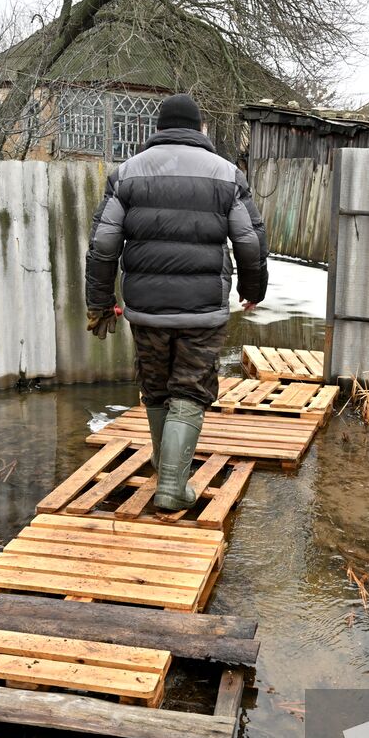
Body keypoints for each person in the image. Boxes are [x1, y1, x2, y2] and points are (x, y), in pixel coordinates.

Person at [84, 93, 268, 511]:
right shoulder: (227, 175)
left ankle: (164, 462)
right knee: (190, 387)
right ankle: (172, 483)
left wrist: (98, 302)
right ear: (200, 128)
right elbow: (249, 241)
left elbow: (103, 245)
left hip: (146, 308)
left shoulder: (126, 174)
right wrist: (253, 289)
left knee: (156, 385)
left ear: (159, 129)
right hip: (202, 310)